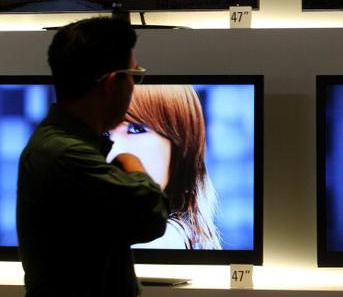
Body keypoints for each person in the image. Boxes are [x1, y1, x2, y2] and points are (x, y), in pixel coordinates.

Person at [17, 17, 168, 297]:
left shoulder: (62, 146)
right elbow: (150, 214)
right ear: (112, 83)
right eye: (134, 76)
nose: (134, 86)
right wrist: (132, 164)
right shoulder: (64, 155)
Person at [108, 84, 221, 249]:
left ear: (181, 146)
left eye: (136, 129)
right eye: (105, 133)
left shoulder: (159, 241)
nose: (113, 151)